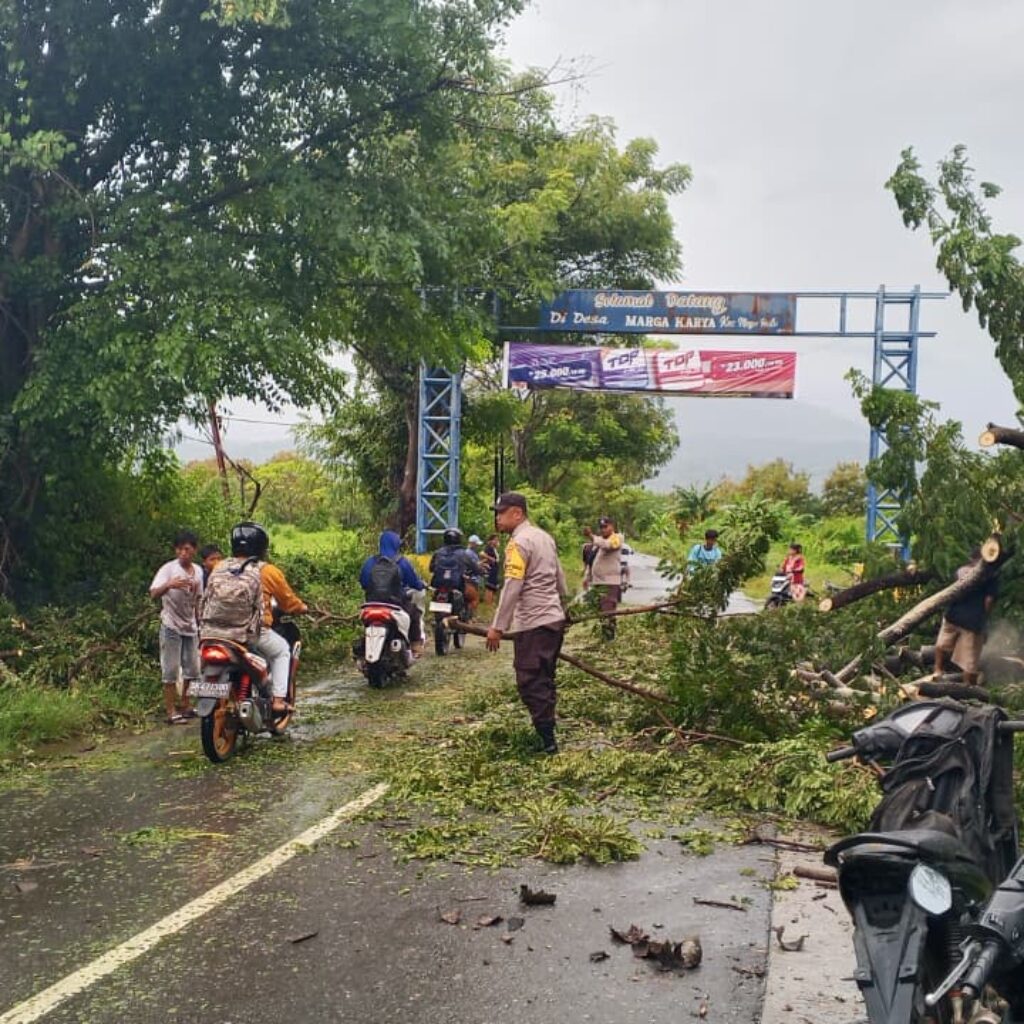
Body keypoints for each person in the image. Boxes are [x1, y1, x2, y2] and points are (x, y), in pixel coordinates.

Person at [485, 492, 568, 755]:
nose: (497, 518)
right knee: (545, 677)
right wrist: (563, 607)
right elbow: (559, 576)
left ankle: (547, 740)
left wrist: (498, 626)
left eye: (501, 512)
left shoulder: (517, 544)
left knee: (529, 680)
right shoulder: (544, 537)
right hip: (552, 620)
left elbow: (513, 586)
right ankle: (548, 732)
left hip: (533, 622)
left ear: (517, 513)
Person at [149, 529, 203, 725]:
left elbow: (198, 599)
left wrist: (200, 623)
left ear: (194, 551)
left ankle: (186, 705)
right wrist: (169, 585)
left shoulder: (198, 571)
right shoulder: (168, 570)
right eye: (179, 550)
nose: (183, 553)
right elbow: (154, 593)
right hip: (171, 625)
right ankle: (171, 711)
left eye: (187, 549)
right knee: (170, 670)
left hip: (190, 626)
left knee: (193, 669)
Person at [933, 548, 998, 686]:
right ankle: (968, 688)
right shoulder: (990, 575)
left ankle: (937, 669)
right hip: (972, 620)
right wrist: (983, 619)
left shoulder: (960, 571)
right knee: (969, 661)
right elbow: (988, 601)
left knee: (941, 644)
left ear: (971, 558)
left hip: (953, 615)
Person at [360, 531, 425, 655]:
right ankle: (415, 646)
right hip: (395, 604)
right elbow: (414, 583)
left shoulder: (370, 562)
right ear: (396, 544)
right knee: (415, 614)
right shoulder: (402, 562)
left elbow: (363, 582)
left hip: (371, 604)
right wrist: (420, 584)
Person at [583, 516, 624, 636]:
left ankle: (609, 637)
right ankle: (604, 636)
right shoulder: (598, 541)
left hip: (610, 582)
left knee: (608, 610)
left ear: (612, 526)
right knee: (600, 610)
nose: (603, 529)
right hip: (598, 582)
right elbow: (591, 560)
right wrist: (587, 577)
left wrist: (592, 537)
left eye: (606, 526)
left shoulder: (617, 538)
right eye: (601, 527)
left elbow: (608, 545)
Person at [428, 528, 478, 615]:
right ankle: (467, 617)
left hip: (438, 585)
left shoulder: (438, 552)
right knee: (474, 598)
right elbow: (475, 568)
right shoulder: (463, 553)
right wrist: (479, 571)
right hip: (456, 584)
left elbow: (431, 568)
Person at [464, 534, 485, 617]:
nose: (477, 546)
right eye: (476, 544)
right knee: (474, 599)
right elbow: (474, 566)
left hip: (471, 578)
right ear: (472, 543)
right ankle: (469, 617)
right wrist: (481, 568)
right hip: (471, 579)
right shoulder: (469, 553)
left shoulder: (471, 553)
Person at [481, 533, 501, 604]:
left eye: (497, 540)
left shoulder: (494, 549)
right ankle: (487, 603)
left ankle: (490, 603)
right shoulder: (488, 548)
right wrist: (490, 559)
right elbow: (482, 554)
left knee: (492, 588)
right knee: (489, 588)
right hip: (490, 570)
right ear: (491, 540)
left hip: (494, 571)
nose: (496, 541)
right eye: (495, 540)